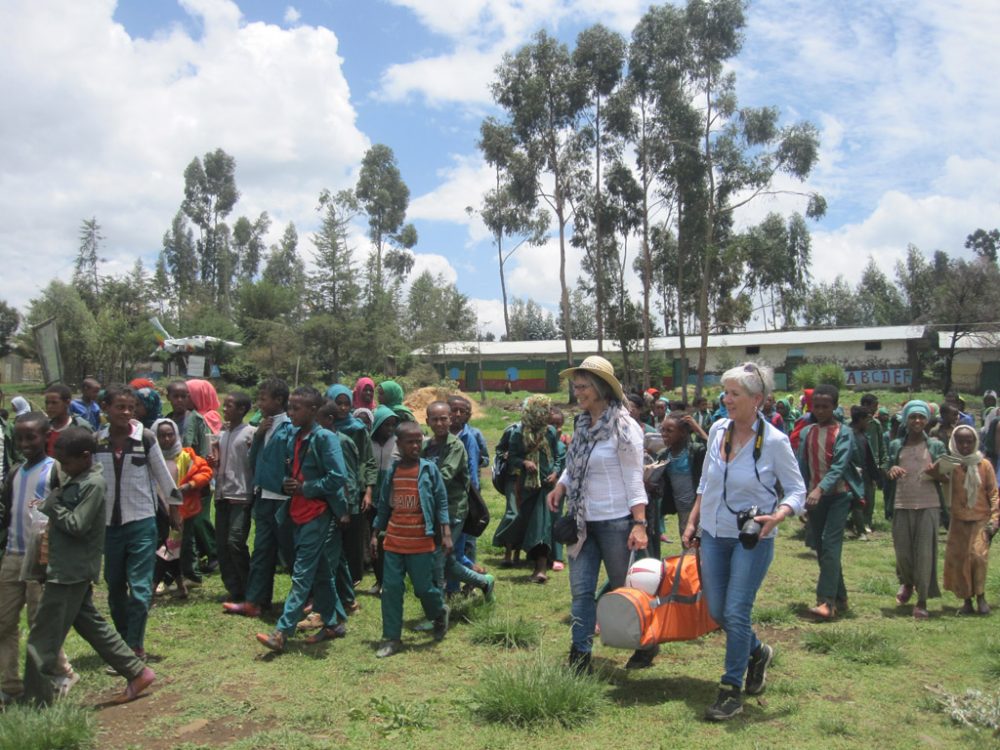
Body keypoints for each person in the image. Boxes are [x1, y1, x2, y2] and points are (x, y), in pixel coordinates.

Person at [681, 362, 806, 721]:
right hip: (714, 535)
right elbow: (705, 482)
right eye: (725, 392)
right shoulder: (718, 429)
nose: (726, 398)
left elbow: (797, 490)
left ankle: (729, 689)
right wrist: (692, 522)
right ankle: (757, 651)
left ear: (758, 400)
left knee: (737, 612)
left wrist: (780, 514)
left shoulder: (776, 442)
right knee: (718, 611)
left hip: (752, 539)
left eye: (735, 393)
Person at [22, 428, 156, 705]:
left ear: (84, 457)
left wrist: (53, 505)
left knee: (42, 639)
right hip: (66, 568)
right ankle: (136, 672)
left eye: (67, 463)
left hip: (70, 572)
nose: (64, 468)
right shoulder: (79, 479)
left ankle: (33, 703)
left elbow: (77, 525)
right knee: (92, 626)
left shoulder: (92, 484)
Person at [545, 356, 648, 675]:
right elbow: (575, 464)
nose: (577, 391)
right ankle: (580, 656)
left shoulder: (623, 425)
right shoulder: (581, 423)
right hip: (581, 523)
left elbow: (634, 476)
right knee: (581, 591)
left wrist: (639, 523)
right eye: (575, 386)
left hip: (617, 523)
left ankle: (646, 644)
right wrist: (561, 487)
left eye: (583, 386)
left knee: (625, 590)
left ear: (602, 389)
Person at [256, 386, 347, 652]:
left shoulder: (325, 439)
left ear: (314, 411)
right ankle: (332, 623)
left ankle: (281, 632)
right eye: (290, 408)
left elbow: (337, 477)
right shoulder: (294, 437)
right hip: (297, 511)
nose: (291, 412)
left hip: (317, 513)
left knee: (302, 573)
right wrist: (289, 483)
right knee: (320, 572)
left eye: (297, 408)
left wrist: (306, 488)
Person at [96, 385, 181, 660]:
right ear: (106, 408)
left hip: (141, 522)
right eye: (120, 406)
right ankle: (123, 641)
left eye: (131, 407)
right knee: (114, 585)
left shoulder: (145, 438)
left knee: (141, 587)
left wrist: (174, 510)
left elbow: (164, 478)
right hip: (109, 526)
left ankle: (134, 646)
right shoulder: (97, 442)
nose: (126, 412)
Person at [0, 413, 74, 703]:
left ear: (46, 437)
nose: (25, 443)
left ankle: (60, 673)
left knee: (39, 621)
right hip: (13, 556)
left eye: (31, 437)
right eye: (19, 438)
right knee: (4, 622)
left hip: (41, 561)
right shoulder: (16, 473)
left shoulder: (55, 471)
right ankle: (9, 684)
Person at [371, 421, 451, 658]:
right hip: (395, 541)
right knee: (392, 590)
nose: (416, 445)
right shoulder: (392, 472)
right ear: (399, 444)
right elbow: (384, 506)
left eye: (419, 441)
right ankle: (391, 638)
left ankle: (439, 612)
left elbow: (441, 502)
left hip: (421, 542)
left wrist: (446, 533)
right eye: (410, 442)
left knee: (424, 588)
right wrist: (375, 534)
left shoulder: (429, 470)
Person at [225, 378, 294, 618]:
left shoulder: (289, 427)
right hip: (264, 497)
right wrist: (258, 438)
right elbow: (254, 460)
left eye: (264, 399)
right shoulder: (263, 427)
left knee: (291, 553)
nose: (260, 404)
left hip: (283, 500)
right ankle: (255, 601)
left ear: (279, 401)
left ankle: (309, 600)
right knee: (262, 552)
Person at [796, 385, 864, 620]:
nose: (821, 411)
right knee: (823, 549)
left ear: (835, 406)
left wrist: (820, 489)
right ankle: (841, 598)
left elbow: (839, 465)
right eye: (817, 406)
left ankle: (826, 602)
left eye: (826, 406)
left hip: (838, 496)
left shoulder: (844, 432)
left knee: (830, 545)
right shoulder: (807, 432)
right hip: (815, 499)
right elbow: (803, 465)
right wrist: (802, 495)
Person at [422, 402, 495, 601]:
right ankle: (484, 581)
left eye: (443, 419)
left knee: (439, 559)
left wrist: (418, 479)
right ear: (427, 421)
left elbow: (443, 476)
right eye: (434, 419)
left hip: (453, 511)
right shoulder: (426, 446)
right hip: (431, 510)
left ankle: (438, 609)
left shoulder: (456, 446)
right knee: (446, 559)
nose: (439, 423)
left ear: (450, 419)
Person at [883, 400, 946, 619]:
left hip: (929, 504)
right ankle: (907, 582)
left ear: (927, 421)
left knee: (925, 554)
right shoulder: (896, 444)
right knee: (903, 553)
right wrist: (891, 470)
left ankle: (922, 601)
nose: (917, 421)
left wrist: (936, 473)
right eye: (913, 417)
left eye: (921, 417)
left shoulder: (936, 446)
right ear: (906, 419)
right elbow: (887, 469)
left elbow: (946, 477)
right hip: (902, 503)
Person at [493, 395, 562, 583]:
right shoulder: (517, 433)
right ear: (535, 412)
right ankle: (513, 550)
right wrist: (524, 462)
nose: (547, 413)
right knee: (526, 523)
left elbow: (558, 457)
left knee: (542, 526)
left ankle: (540, 569)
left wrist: (555, 473)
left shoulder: (550, 432)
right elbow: (512, 457)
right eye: (544, 410)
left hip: (547, 487)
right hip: (527, 487)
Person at [936, 425, 999, 615]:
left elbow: (993, 493)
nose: (965, 445)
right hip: (958, 520)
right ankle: (966, 600)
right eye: (960, 442)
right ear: (954, 443)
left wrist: (995, 520)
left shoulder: (984, 465)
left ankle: (980, 596)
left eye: (969, 441)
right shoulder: (950, 465)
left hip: (981, 520)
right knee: (961, 560)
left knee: (978, 557)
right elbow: (935, 477)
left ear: (975, 442)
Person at [151, 418, 212, 599]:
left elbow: (205, 472)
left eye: (170, 435)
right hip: (158, 510)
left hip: (182, 511)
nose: (167, 439)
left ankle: (152, 587)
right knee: (170, 548)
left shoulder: (186, 456)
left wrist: (190, 485)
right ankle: (180, 585)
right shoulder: (151, 457)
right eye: (162, 436)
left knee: (169, 547)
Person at [325, 385, 376, 589]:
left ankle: (352, 581)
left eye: (347, 404)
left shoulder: (357, 430)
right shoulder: (322, 430)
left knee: (353, 538)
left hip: (356, 489)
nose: (344, 408)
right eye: (339, 404)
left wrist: (369, 491)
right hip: (330, 491)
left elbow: (369, 460)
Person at [166, 380, 214, 582]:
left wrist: (195, 482)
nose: (179, 400)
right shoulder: (166, 421)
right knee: (173, 530)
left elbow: (202, 456)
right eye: (175, 396)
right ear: (168, 398)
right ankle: (173, 572)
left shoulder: (196, 420)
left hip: (193, 486)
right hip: (170, 484)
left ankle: (191, 571)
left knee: (192, 529)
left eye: (184, 396)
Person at [212, 392, 256, 603]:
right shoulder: (222, 433)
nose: (224, 409)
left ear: (241, 410)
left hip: (241, 494)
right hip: (222, 494)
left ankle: (249, 586)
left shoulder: (250, 433)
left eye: (229, 406)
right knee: (221, 544)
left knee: (235, 541)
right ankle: (233, 588)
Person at [647, 412, 706, 558]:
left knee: (701, 549)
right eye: (662, 430)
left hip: (700, 509)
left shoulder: (695, 451)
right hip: (682, 511)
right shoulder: (664, 455)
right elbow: (656, 480)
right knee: (688, 547)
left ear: (683, 433)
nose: (664, 434)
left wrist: (698, 429)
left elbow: (716, 451)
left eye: (670, 431)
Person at [448, 394, 489, 573]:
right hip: (449, 497)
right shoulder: (442, 436)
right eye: (453, 410)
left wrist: (472, 500)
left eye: (461, 411)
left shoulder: (470, 437)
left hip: (466, 496)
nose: (457, 414)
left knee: (466, 541)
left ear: (468, 415)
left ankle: (472, 580)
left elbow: (473, 469)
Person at [184, 379, 221, 573]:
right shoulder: (192, 417)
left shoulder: (205, 419)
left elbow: (209, 451)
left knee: (199, 518)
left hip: (204, 476)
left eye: (188, 395)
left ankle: (215, 553)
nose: (184, 399)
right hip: (191, 475)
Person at [368, 405, 400, 596]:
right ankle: (379, 579)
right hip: (371, 498)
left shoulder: (397, 442)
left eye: (392, 424)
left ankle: (390, 580)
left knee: (388, 542)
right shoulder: (368, 442)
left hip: (391, 499)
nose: (389, 428)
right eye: (385, 424)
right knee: (373, 541)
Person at [43, 384, 94, 457]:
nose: (49, 407)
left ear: (67, 402)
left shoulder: (79, 426)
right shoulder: (45, 427)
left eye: (54, 403)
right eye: (47, 403)